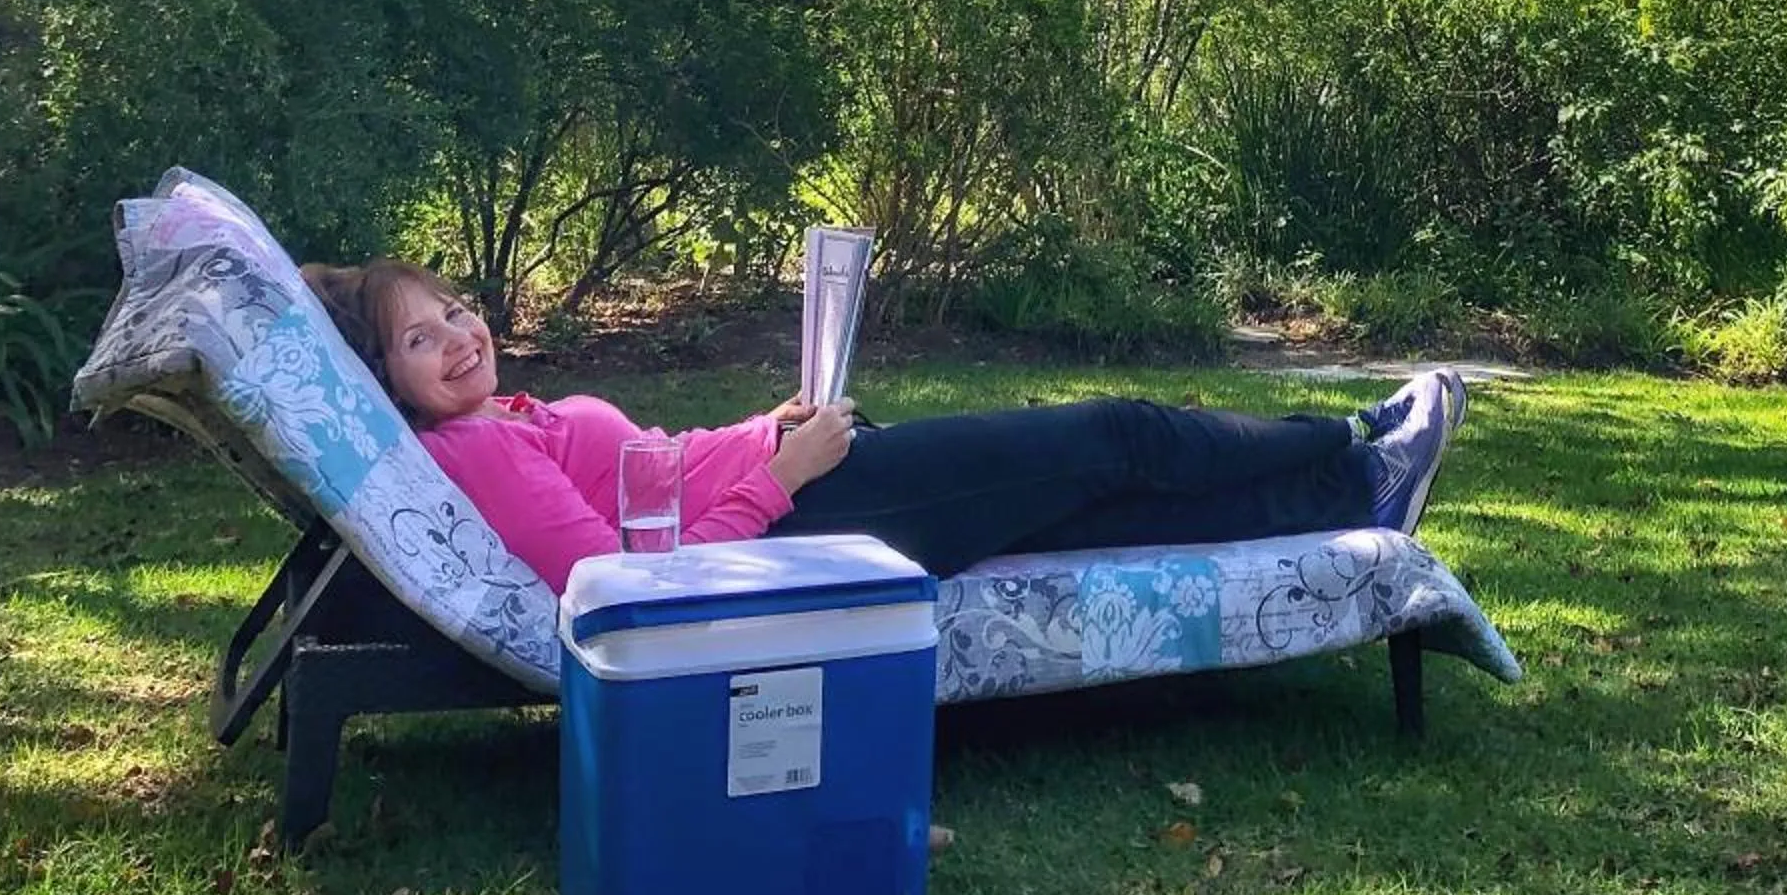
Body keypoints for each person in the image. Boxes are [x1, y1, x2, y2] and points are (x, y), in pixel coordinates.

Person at [302, 259, 1467, 592]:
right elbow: (624, 580)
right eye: (421, 340)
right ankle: (1347, 440)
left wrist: (767, 427)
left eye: (454, 310)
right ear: (386, 380)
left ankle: (1341, 495)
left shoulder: (504, 412)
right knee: (1106, 435)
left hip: (801, 478)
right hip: (811, 525)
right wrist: (786, 471)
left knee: (1086, 497)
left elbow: (653, 473)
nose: (458, 336)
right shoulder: (474, 450)